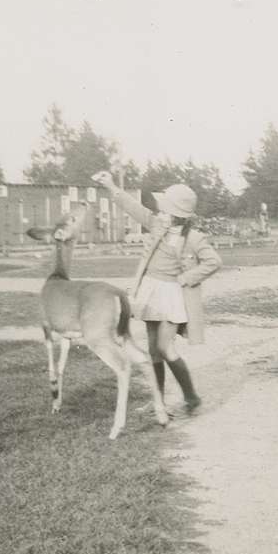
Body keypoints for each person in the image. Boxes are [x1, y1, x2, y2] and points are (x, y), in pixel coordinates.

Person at [91, 171, 221, 412]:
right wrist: (109, 184)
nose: (160, 213)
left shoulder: (194, 238)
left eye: (165, 210)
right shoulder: (155, 225)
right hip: (150, 292)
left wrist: (185, 278)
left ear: (176, 216)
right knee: (153, 349)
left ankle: (191, 396)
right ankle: (159, 401)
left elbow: (213, 261)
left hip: (173, 296)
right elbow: (131, 206)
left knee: (165, 346)